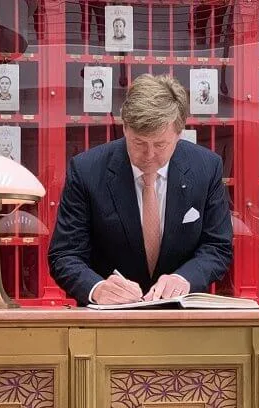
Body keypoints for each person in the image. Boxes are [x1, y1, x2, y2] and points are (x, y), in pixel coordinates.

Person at [48, 73, 233, 306]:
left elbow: (217, 246)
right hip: (109, 318)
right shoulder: (87, 170)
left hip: (181, 315)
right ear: (125, 128)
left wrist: (184, 278)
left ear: (179, 133)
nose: (149, 155)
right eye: (139, 143)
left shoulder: (206, 167)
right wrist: (96, 288)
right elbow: (64, 255)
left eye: (160, 144)